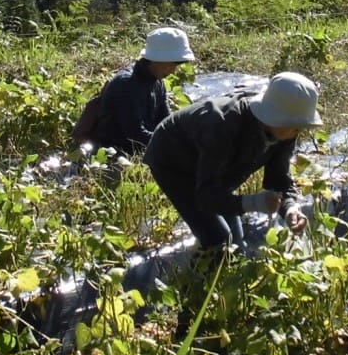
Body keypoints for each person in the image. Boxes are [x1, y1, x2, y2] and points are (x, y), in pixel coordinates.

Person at [144, 71, 320, 250]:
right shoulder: (223, 126)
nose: (298, 132)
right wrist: (253, 203)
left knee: (235, 241)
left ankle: (218, 265)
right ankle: (200, 274)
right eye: (296, 126)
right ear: (276, 117)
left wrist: (290, 208)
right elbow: (206, 196)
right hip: (172, 160)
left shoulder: (284, 132)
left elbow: (279, 179)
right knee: (219, 239)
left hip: (214, 164)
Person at [79, 27, 196, 156]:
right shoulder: (126, 84)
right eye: (172, 64)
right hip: (110, 151)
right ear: (157, 59)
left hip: (142, 147)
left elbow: (166, 122)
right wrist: (173, 144)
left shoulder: (158, 82)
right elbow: (135, 134)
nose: (173, 71)